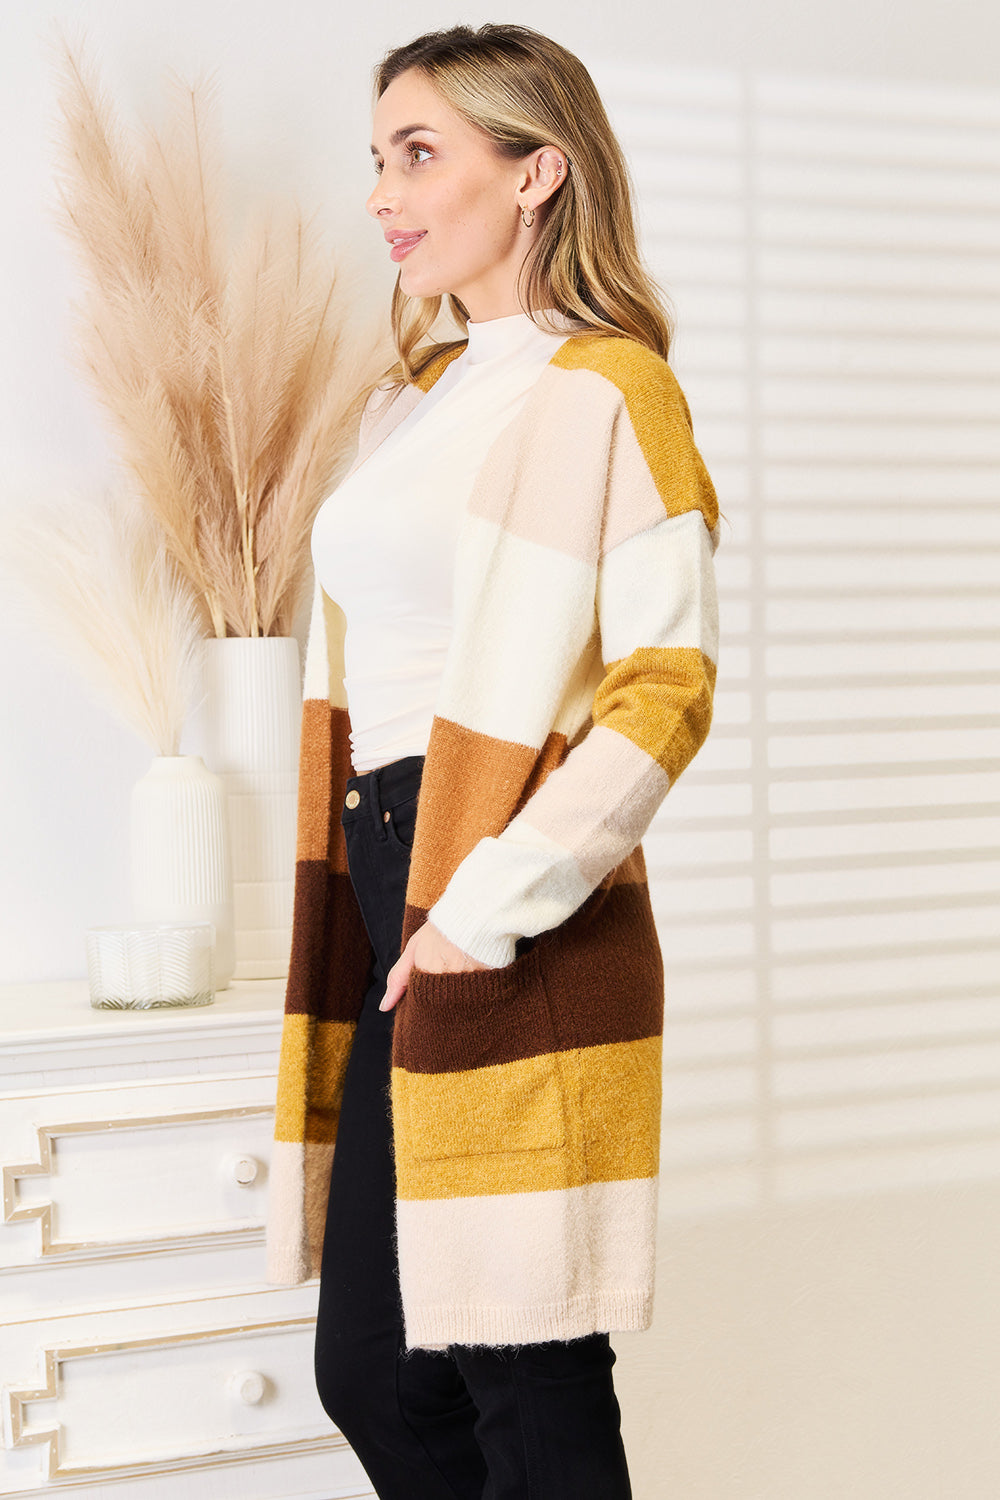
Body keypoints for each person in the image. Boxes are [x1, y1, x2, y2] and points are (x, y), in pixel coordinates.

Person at [266, 22, 719, 1500]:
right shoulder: (417, 398)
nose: (387, 195)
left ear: (538, 176)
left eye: (422, 154)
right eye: (378, 161)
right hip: (385, 866)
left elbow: (665, 689)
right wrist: (395, 898)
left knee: (520, 1365)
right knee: (382, 1375)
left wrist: (485, 900)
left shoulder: (607, 388)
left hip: (506, 898)